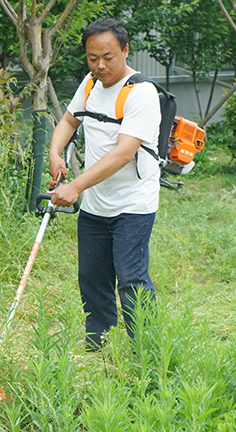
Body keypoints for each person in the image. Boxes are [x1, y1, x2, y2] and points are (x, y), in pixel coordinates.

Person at [48, 18, 161, 350]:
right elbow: (69, 121)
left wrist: (76, 186)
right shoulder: (89, 84)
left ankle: (149, 351)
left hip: (133, 204)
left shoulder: (141, 93)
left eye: (108, 57)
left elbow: (124, 153)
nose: (100, 65)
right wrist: (56, 152)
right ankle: (98, 348)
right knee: (93, 280)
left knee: (131, 280)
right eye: (92, 57)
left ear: (125, 50)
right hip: (96, 205)